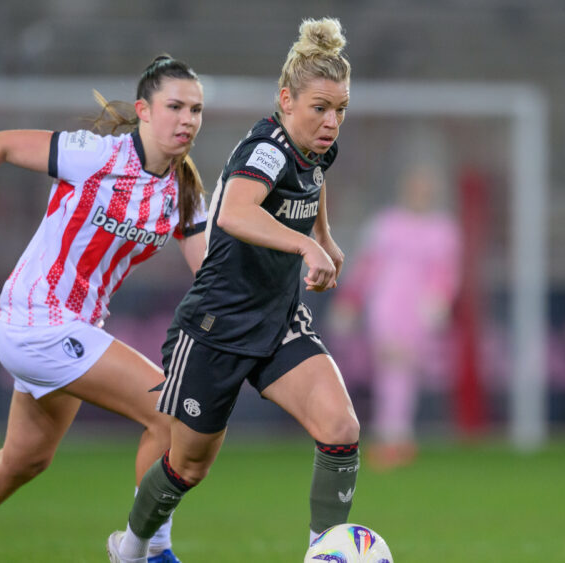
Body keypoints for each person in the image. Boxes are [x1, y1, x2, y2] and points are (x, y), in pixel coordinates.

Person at [0, 55, 207, 563]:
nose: (187, 119)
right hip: (35, 318)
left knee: (25, 459)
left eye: (196, 109)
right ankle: (148, 551)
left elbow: (209, 272)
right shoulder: (96, 155)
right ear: (144, 111)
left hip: (70, 330)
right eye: (174, 106)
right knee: (169, 414)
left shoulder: (184, 192)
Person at [107, 18, 359, 563]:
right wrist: (304, 248)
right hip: (216, 326)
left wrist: (324, 236)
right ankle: (130, 550)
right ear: (286, 100)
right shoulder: (265, 148)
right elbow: (235, 212)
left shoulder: (318, 147)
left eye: (340, 108)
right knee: (187, 467)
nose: (332, 121)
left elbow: (313, 183)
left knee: (340, 428)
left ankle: (325, 553)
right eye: (320, 107)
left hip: (277, 319)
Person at [335, 159, 461, 470]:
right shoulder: (386, 224)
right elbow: (368, 266)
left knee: (406, 372)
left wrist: (440, 300)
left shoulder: (442, 229)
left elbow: (447, 271)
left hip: (419, 309)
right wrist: (351, 300)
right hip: (387, 304)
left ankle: (396, 436)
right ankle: (393, 437)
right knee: (392, 366)